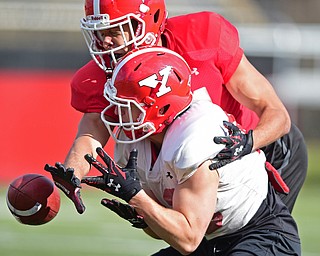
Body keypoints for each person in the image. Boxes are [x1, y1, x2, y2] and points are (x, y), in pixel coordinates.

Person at [44, 0, 307, 214]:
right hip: (199, 164)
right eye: (99, 33)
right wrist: (73, 171)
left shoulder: (200, 36)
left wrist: (247, 143)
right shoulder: (100, 76)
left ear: (148, 22)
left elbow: (276, 114)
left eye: (115, 31)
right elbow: (91, 133)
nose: (106, 42)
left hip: (264, 150)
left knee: (249, 237)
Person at [80, 46, 301, 255]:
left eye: (126, 106)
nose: (116, 113)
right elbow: (169, 233)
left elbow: (188, 239)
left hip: (261, 233)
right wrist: (145, 218)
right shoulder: (135, 144)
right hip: (210, 242)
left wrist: (136, 197)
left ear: (158, 107)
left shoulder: (196, 137)